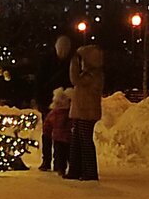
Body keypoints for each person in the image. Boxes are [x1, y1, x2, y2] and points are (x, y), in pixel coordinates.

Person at [66, 43, 104, 181]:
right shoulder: (90, 75)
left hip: (87, 112)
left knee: (85, 141)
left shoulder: (93, 76)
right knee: (76, 140)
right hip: (82, 111)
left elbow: (74, 80)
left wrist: (74, 63)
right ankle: (75, 170)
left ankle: (89, 171)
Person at [35, 35, 73, 171]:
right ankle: (54, 162)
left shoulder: (49, 61)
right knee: (56, 133)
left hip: (59, 102)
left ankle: (54, 162)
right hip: (55, 101)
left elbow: (39, 82)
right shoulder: (69, 62)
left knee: (55, 133)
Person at [42, 86, 72, 176]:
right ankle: (66, 167)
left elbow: (47, 124)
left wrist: (46, 132)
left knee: (60, 154)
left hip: (57, 138)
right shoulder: (69, 113)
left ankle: (60, 168)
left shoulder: (54, 113)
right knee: (67, 154)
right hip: (67, 138)